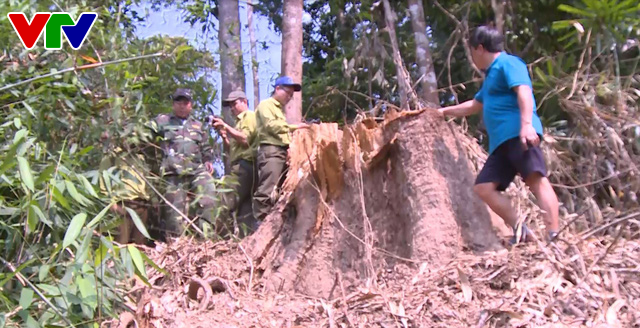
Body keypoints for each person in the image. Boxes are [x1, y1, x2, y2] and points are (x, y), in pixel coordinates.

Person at [437, 26, 560, 244]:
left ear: (480, 48)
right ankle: (524, 233)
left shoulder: (509, 64)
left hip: (519, 134)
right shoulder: (491, 76)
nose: (473, 59)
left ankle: (553, 234)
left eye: (473, 52)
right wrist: (443, 112)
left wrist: (526, 125)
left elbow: (524, 92)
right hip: (501, 144)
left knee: (536, 180)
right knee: (483, 187)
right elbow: (475, 105)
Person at [149, 88, 216, 237]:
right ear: (173, 104)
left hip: (196, 171)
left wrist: (208, 160)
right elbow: (145, 133)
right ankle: (176, 245)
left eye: (185, 102)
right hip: (173, 172)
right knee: (174, 213)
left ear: (190, 105)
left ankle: (206, 238)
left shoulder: (198, 126)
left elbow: (205, 147)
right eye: (178, 102)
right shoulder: (163, 121)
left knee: (208, 196)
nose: (182, 105)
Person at [253, 76, 310, 221]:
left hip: (282, 151)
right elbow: (271, 126)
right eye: (287, 92)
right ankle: (260, 222)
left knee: (281, 188)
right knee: (267, 188)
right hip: (271, 150)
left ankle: (275, 221)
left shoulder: (279, 110)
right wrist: (294, 127)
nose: (289, 97)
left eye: (291, 95)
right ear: (277, 88)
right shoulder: (266, 105)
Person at [211, 90, 259, 236]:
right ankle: (245, 242)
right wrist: (225, 137)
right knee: (244, 210)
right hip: (242, 165)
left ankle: (220, 239)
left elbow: (245, 139)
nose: (232, 108)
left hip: (245, 166)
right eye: (229, 105)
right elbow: (232, 149)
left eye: (234, 103)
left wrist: (225, 126)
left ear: (244, 102)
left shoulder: (249, 116)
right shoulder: (238, 123)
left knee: (223, 203)